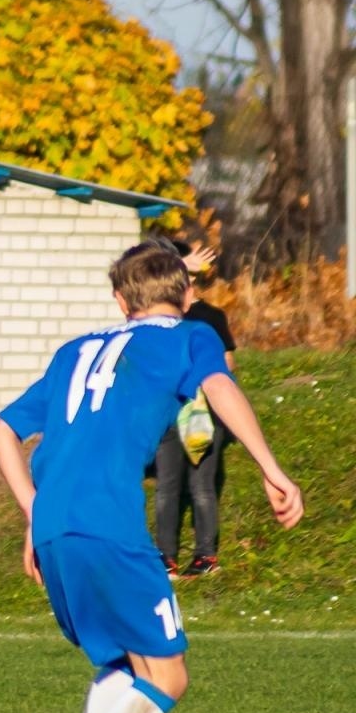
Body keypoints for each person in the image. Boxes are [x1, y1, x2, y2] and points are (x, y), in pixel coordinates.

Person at [0, 243, 302, 713]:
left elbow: (1, 429)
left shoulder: (74, 350)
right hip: (108, 521)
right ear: (187, 297)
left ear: (118, 301)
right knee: (168, 675)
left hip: (55, 522)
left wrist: (33, 510)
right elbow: (222, 389)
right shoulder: (189, 338)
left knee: (122, 664)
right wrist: (271, 468)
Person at [151, 242, 236, 578]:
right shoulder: (159, 319)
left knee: (201, 486)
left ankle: (205, 557)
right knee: (167, 487)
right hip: (167, 414)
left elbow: (227, 364)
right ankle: (165, 557)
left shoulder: (210, 317)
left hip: (203, 414)